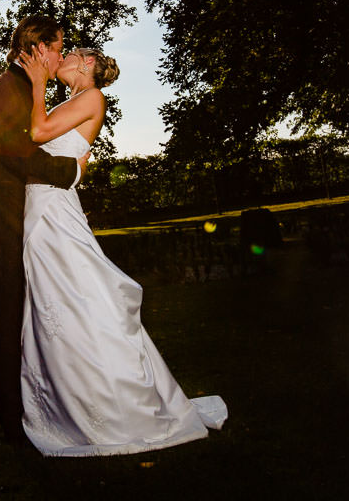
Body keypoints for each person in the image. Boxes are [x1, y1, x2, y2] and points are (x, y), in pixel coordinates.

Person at [18, 45, 228, 456]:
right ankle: (68, 394)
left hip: (53, 212)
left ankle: (115, 400)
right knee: (56, 301)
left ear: (87, 62)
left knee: (78, 297)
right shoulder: (74, 101)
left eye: (69, 52)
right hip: (43, 205)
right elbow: (69, 154)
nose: (60, 57)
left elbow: (39, 134)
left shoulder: (92, 97)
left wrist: (38, 84)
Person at [0, 15, 90, 443]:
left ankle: (30, 403)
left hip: (13, 215)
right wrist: (72, 170)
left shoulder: (22, 87)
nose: (60, 55)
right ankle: (11, 420)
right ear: (39, 48)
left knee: (19, 315)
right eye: (57, 47)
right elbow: (15, 157)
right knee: (3, 317)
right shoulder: (9, 89)